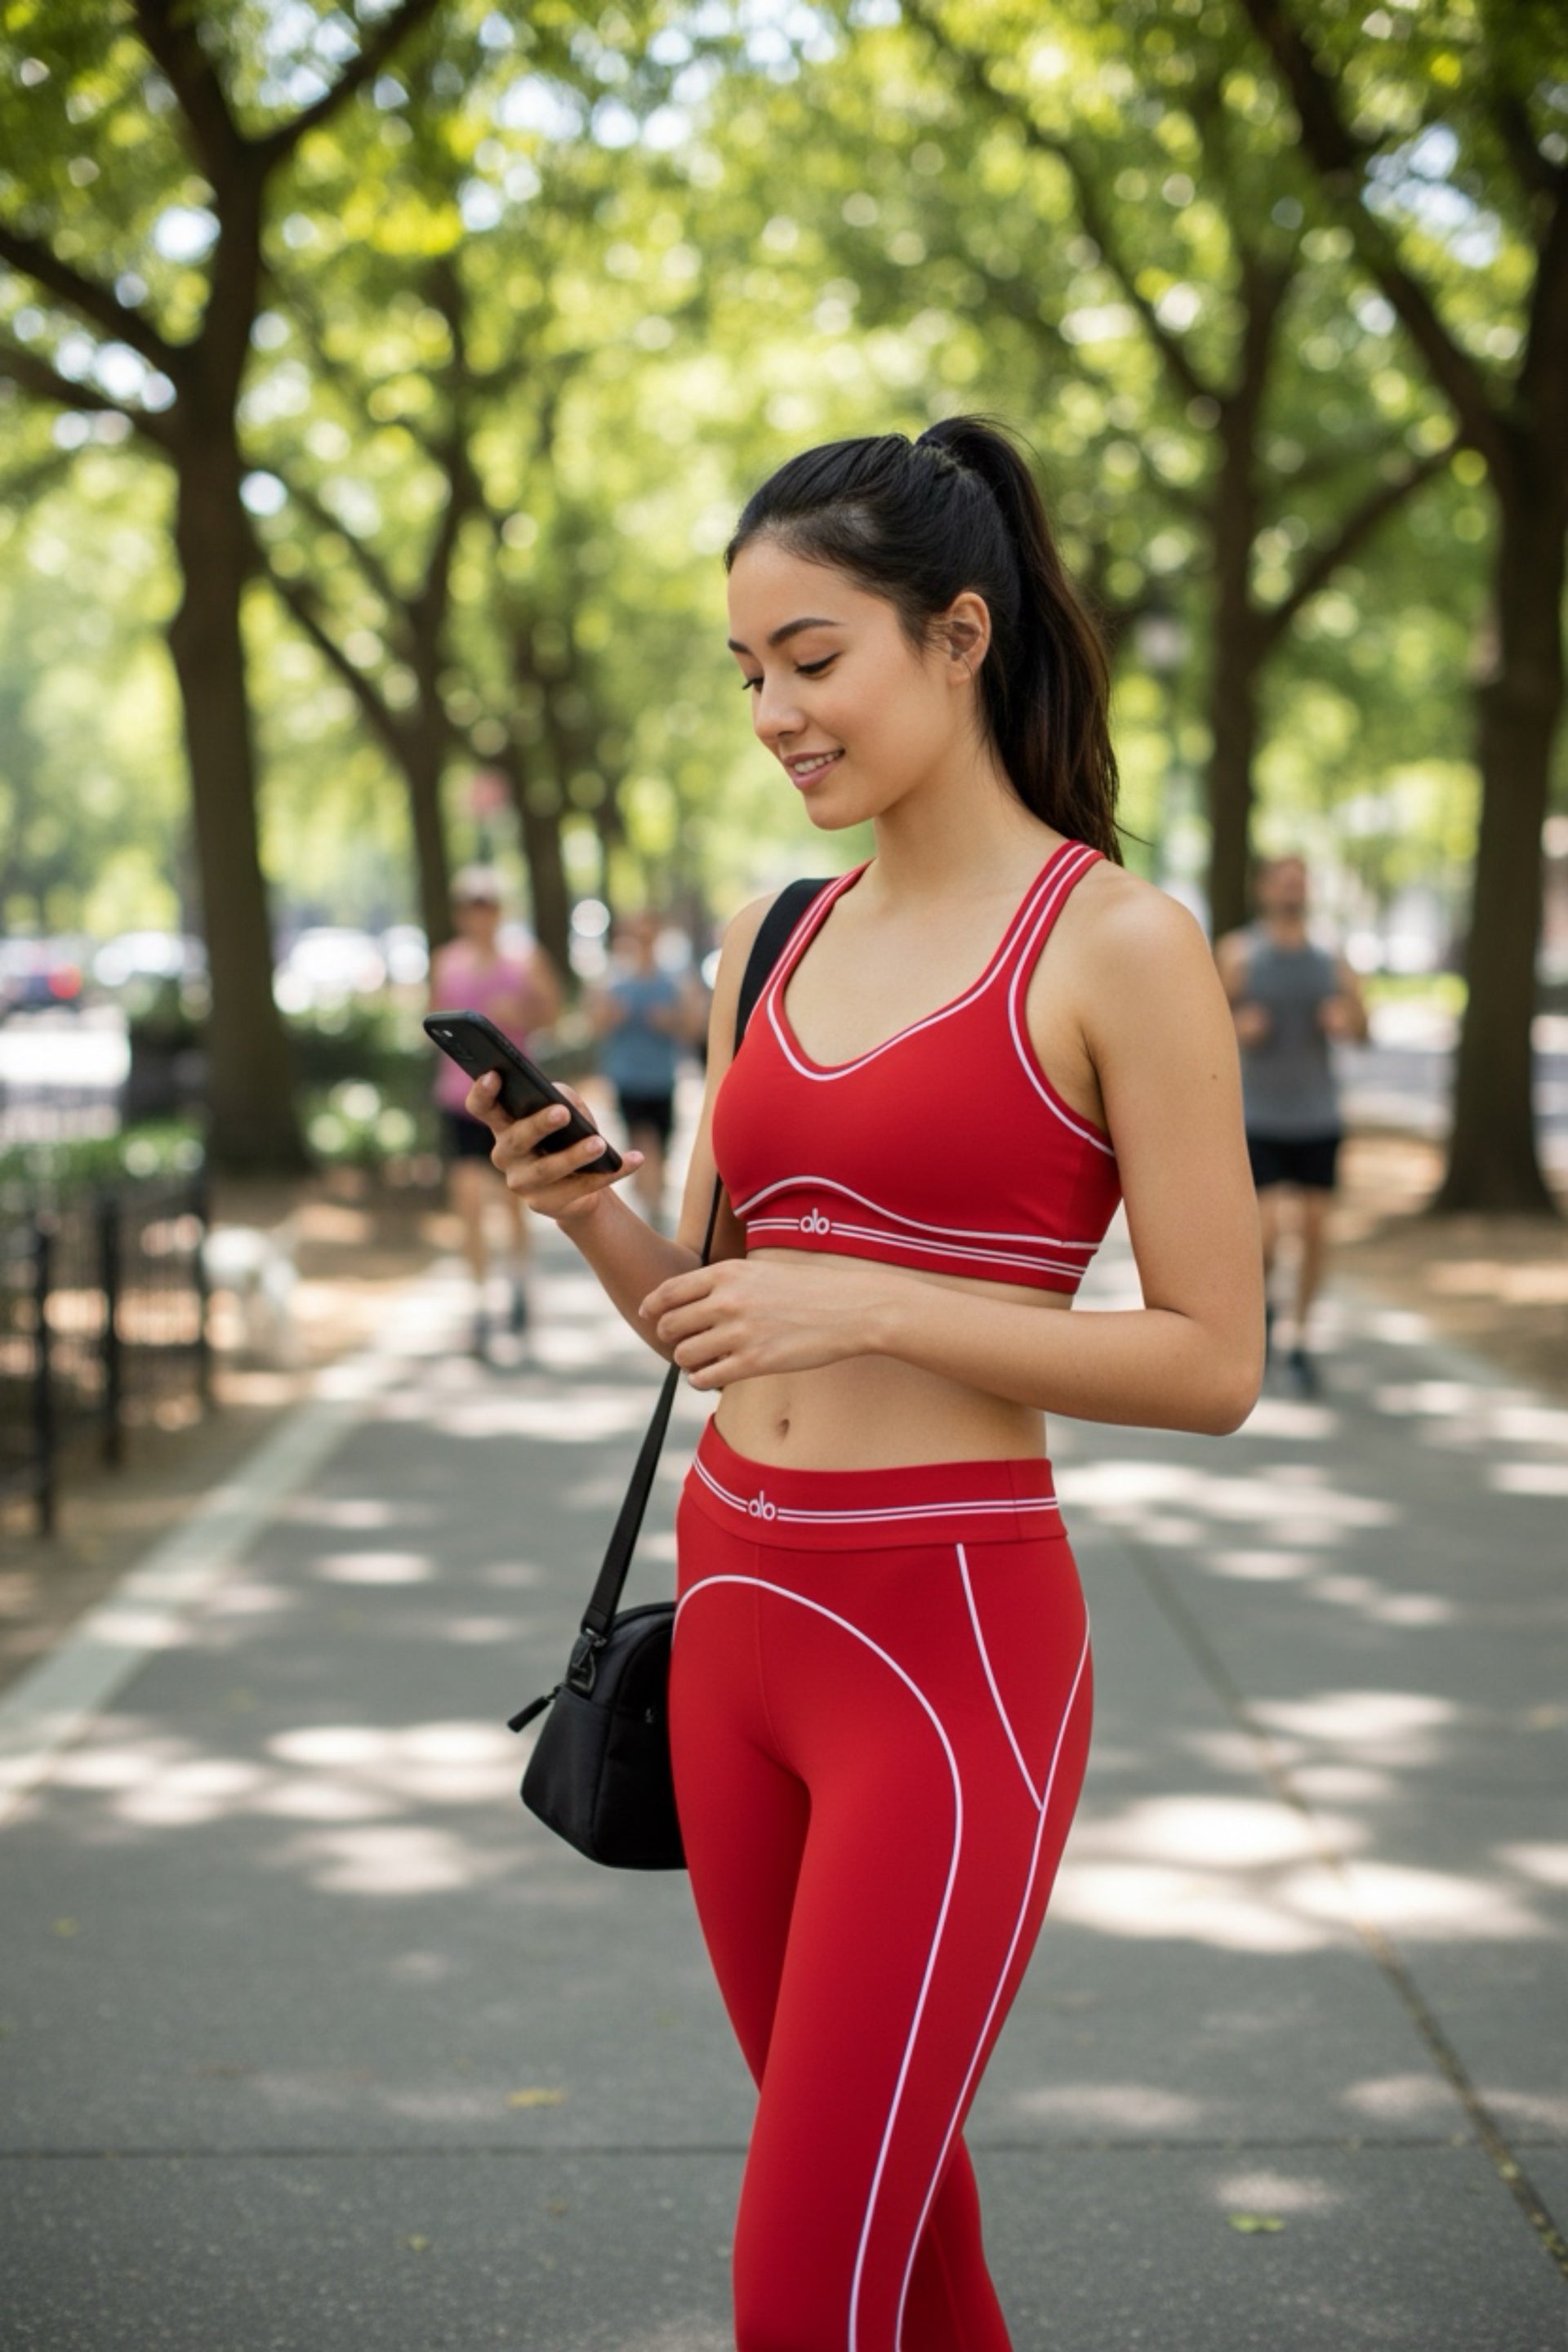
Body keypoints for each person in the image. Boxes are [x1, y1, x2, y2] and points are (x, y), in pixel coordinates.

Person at [466, 416, 1263, 2350]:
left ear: (959, 634)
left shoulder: (1119, 944)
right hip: (733, 1605)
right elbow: (724, 1312)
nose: (775, 714)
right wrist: (588, 1216)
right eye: (748, 672)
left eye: (813, 659)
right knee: (906, 2246)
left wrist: (876, 1304)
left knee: (798, 2283)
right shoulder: (775, 932)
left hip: (950, 1644)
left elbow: (1211, 1359)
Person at [1214, 853, 1369, 1393]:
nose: (1291, 890)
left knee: (1316, 1230)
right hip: (1258, 1115)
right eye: (1283, 880)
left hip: (1318, 1115)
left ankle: (1299, 1335)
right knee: (1272, 1229)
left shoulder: (1331, 957)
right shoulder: (1239, 953)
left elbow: (1364, 1030)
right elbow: (1204, 1027)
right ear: (1264, 888)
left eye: (1300, 882)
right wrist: (1238, 1025)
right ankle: (1263, 1313)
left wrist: (1346, 1020)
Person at [427, 863, 560, 1356]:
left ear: (498, 910)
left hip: (511, 1101)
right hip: (459, 1100)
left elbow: (553, 1011)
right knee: (466, 1199)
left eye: (486, 904)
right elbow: (433, 1015)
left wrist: (520, 1013)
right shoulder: (446, 961)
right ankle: (479, 1300)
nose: (478, 914)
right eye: (470, 905)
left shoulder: (525, 960)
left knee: (512, 1200)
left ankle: (520, 1283)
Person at [586, 911, 704, 1230]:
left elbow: (695, 1027)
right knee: (642, 1144)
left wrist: (671, 1021)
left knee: (658, 1151)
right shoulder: (612, 980)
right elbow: (595, 1024)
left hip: (662, 1080)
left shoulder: (674, 980)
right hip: (627, 1080)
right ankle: (649, 1210)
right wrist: (612, 1016)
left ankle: (652, 1201)